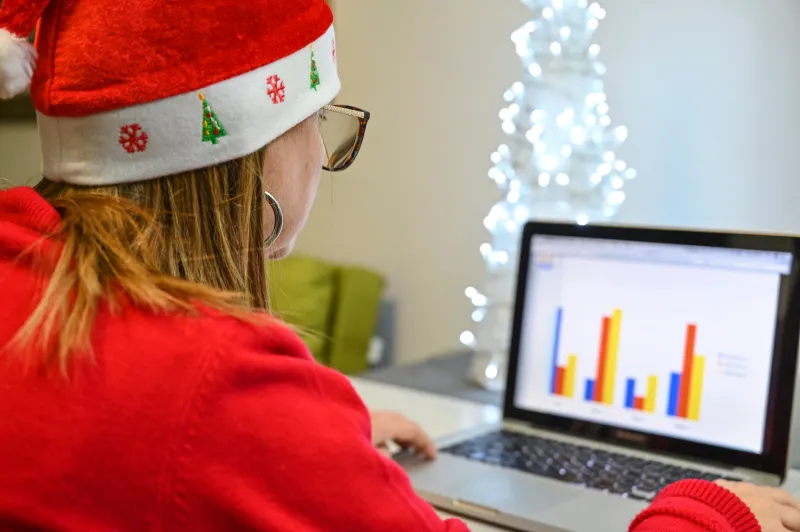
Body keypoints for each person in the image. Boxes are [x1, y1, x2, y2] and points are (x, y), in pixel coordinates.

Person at [0, 0, 797, 530]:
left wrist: (318, 447)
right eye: (319, 122)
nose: (321, 153)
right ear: (251, 154)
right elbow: (203, 426)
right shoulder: (222, 390)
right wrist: (712, 511)